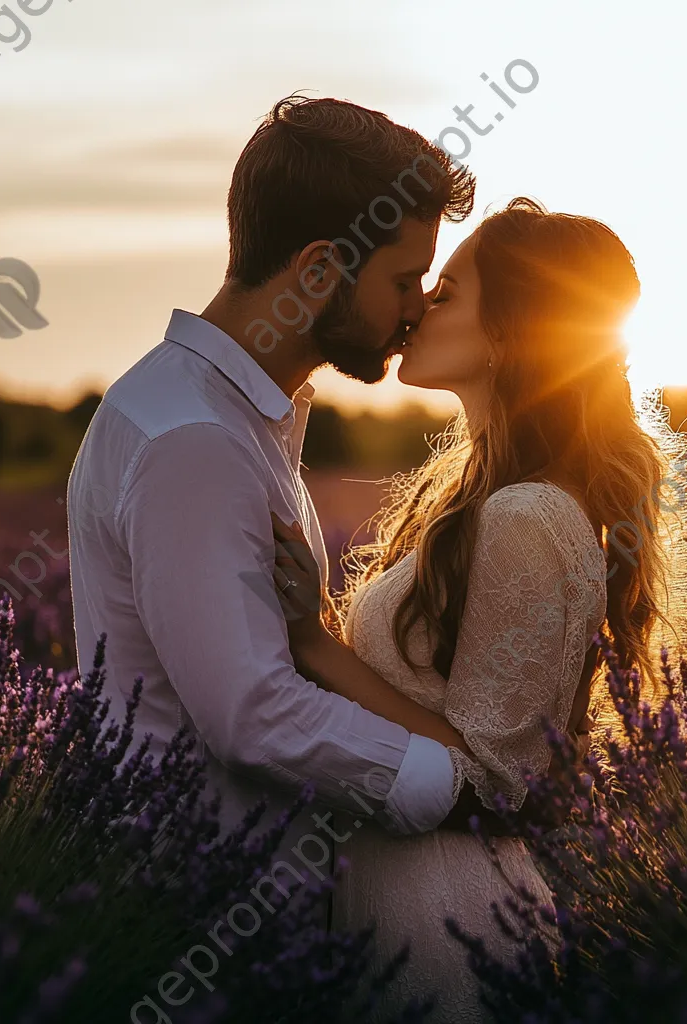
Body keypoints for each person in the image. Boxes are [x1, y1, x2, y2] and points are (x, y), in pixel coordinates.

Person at [66, 91, 547, 939]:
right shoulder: (196, 441)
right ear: (320, 270)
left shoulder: (225, 412)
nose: (414, 310)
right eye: (402, 280)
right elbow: (252, 714)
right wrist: (457, 788)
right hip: (211, 919)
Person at [270, 197, 687, 1021]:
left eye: (445, 295)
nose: (415, 311)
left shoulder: (529, 518)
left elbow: (493, 779)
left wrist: (313, 643)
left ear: (510, 334)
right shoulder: (484, 500)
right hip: (396, 889)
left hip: (448, 914)